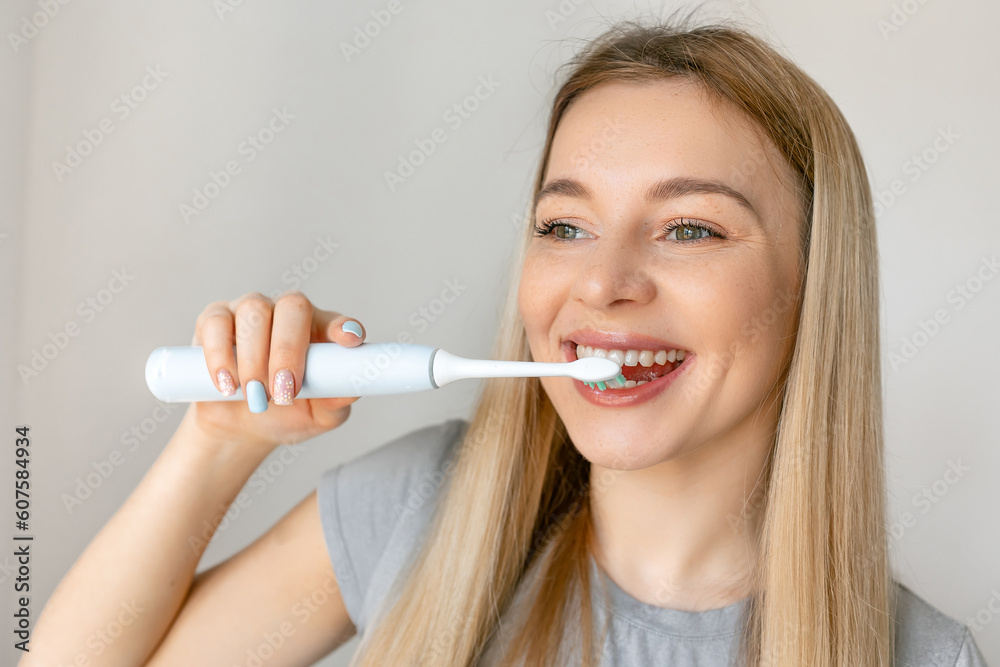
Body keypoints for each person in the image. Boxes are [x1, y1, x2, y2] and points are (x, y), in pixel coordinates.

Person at [23, 16, 989, 667]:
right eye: (564, 226)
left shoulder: (930, 655)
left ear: (813, 285)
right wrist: (220, 439)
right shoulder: (424, 512)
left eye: (689, 227)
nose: (602, 282)